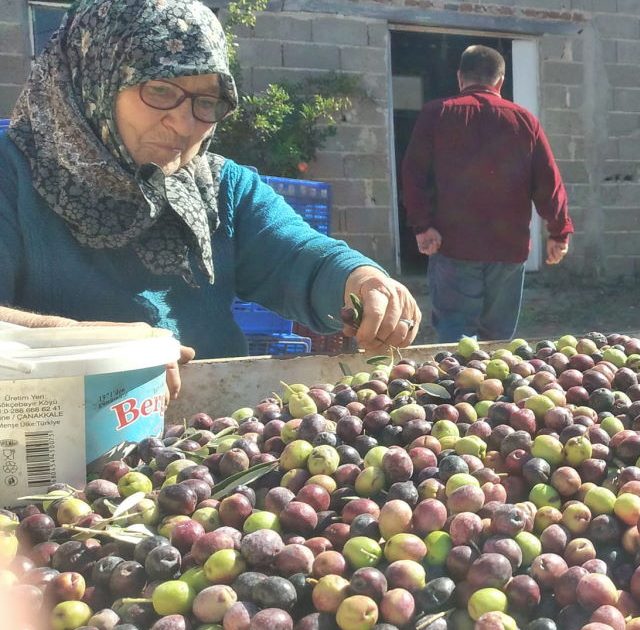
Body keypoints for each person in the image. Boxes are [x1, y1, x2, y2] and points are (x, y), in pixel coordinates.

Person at [0, 0, 421, 397]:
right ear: (95, 79)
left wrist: (364, 282)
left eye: (206, 101)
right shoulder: (12, 176)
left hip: (206, 442)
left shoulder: (218, 187)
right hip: (55, 442)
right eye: (161, 90)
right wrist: (98, 345)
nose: (185, 124)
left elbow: (299, 256)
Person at [402, 45, 572, 344]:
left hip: (453, 245)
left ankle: (459, 389)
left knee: (455, 338)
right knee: (498, 342)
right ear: (500, 81)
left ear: (460, 77)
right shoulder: (524, 121)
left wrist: (423, 225)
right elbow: (549, 182)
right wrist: (559, 232)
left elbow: (414, 174)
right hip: (508, 249)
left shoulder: (437, 114)